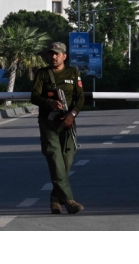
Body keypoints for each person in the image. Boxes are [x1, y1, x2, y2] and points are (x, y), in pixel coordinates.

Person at [31, 41, 85, 214]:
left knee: (66, 162)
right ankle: (69, 200)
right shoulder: (42, 73)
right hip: (48, 123)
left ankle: (55, 199)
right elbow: (34, 96)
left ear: (64, 56)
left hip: (68, 123)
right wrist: (49, 102)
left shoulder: (73, 72)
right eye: (51, 54)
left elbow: (81, 97)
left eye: (57, 54)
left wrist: (72, 114)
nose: (53, 57)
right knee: (55, 159)